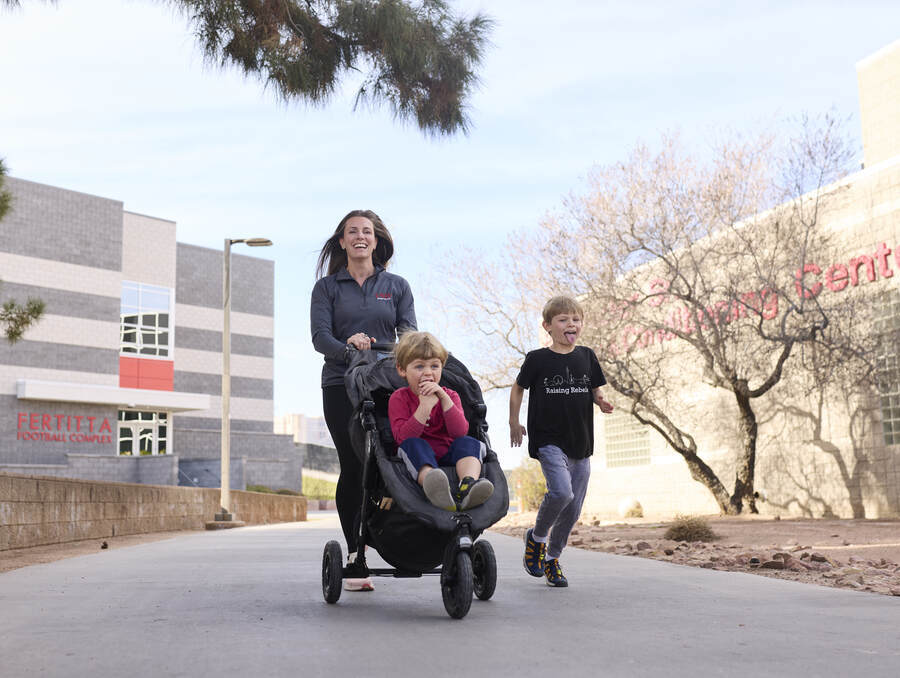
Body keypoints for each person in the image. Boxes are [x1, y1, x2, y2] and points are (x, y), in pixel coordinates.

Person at [311, 209, 416, 592]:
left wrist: (391, 353)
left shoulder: (397, 285)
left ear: (376, 240)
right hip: (341, 383)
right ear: (342, 242)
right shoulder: (327, 288)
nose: (360, 236)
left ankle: (392, 532)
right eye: (352, 232)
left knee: (390, 460)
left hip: (388, 382)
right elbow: (320, 337)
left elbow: (409, 333)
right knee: (354, 465)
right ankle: (357, 555)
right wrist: (348, 347)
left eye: (366, 232)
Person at [509, 295, 614, 587]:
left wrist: (602, 401)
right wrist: (513, 421)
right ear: (548, 326)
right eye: (564, 319)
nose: (572, 324)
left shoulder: (587, 356)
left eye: (576, 319)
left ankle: (552, 559)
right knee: (561, 492)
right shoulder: (538, 359)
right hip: (548, 438)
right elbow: (518, 389)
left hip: (580, 440)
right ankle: (537, 537)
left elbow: (596, 389)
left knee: (573, 508)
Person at [389, 331, 494, 511]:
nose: (428, 372)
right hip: (421, 457)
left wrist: (445, 399)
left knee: (468, 442)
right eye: (419, 367)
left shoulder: (451, 395)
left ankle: (468, 484)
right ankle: (433, 483)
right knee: (412, 444)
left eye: (434, 366)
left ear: (442, 368)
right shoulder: (399, 398)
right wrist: (424, 407)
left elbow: (459, 431)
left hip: (449, 453)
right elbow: (403, 438)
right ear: (402, 369)